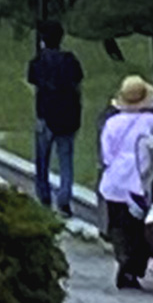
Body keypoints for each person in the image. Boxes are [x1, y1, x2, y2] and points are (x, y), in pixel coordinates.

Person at [98, 77, 153, 288]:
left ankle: (123, 260)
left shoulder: (112, 123)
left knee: (118, 225)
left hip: (115, 182)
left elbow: (107, 156)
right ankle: (133, 268)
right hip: (142, 183)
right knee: (140, 229)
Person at [26, 21, 86, 216]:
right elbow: (78, 85)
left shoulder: (37, 62)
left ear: (43, 40)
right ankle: (64, 198)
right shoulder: (70, 60)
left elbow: (34, 86)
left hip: (45, 115)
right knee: (65, 159)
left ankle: (44, 196)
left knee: (42, 160)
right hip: (68, 115)